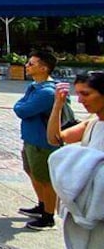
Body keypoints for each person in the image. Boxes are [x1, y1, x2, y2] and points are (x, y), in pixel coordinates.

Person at [47, 70, 104, 248]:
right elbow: (55, 138)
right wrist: (58, 105)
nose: (80, 100)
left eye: (85, 94)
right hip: (87, 209)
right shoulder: (92, 122)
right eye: (78, 94)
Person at [12, 48, 59, 230]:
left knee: (45, 179)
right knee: (32, 173)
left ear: (44, 68)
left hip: (42, 142)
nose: (27, 66)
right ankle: (42, 205)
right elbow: (22, 106)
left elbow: (21, 109)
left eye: (31, 64)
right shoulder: (34, 87)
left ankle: (48, 216)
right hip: (31, 139)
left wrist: (20, 106)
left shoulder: (47, 92)